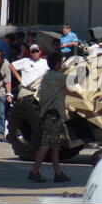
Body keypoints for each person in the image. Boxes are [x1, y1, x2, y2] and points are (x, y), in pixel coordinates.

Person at [28, 51, 71, 183]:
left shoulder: (46, 76)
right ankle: (34, 171)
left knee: (54, 145)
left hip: (48, 115)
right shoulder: (59, 77)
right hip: (53, 116)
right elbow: (73, 87)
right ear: (58, 63)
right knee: (47, 144)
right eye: (61, 62)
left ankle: (57, 173)